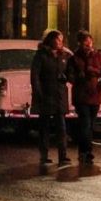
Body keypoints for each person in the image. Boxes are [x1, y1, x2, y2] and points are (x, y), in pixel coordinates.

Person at [70, 31, 101, 165]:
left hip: (94, 94)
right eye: (85, 43)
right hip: (81, 95)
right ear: (80, 44)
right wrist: (78, 77)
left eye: (89, 42)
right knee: (85, 123)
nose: (88, 45)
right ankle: (86, 151)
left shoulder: (99, 56)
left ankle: (84, 150)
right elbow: (70, 75)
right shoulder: (75, 58)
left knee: (90, 124)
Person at [30, 30, 71, 170]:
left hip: (59, 95)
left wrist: (67, 77)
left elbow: (69, 72)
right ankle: (44, 155)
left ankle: (63, 156)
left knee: (61, 127)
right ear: (51, 40)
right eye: (58, 40)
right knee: (45, 127)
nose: (61, 42)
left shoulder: (63, 55)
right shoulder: (41, 55)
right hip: (46, 95)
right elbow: (35, 76)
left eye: (62, 40)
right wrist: (39, 93)